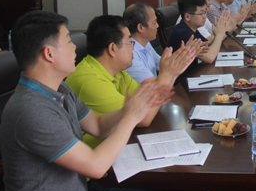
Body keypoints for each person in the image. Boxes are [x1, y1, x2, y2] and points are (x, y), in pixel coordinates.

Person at [1, 11, 173, 191]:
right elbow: (95, 167)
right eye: (68, 42)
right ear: (49, 54)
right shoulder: (32, 111)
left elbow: (98, 125)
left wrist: (129, 108)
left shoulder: (60, 89)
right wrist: (131, 117)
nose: (75, 47)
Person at [66, 15, 197, 149]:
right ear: (112, 48)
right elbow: (143, 118)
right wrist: (167, 74)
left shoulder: (119, 72)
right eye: (130, 42)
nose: (133, 48)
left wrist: (173, 72)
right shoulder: (91, 81)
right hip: (101, 155)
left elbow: (148, 102)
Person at [166, 0, 230, 76]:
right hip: (181, 80)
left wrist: (219, 33)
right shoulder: (183, 33)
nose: (204, 17)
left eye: (205, 13)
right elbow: (209, 57)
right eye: (201, 14)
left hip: (193, 74)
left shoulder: (191, 28)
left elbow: (207, 46)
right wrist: (219, 35)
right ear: (187, 17)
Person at [122, 2, 163, 83]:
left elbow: (160, 64)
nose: (157, 26)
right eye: (154, 22)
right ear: (141, 28)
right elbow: (152, 85)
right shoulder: (131, 55)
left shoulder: (146, 43)